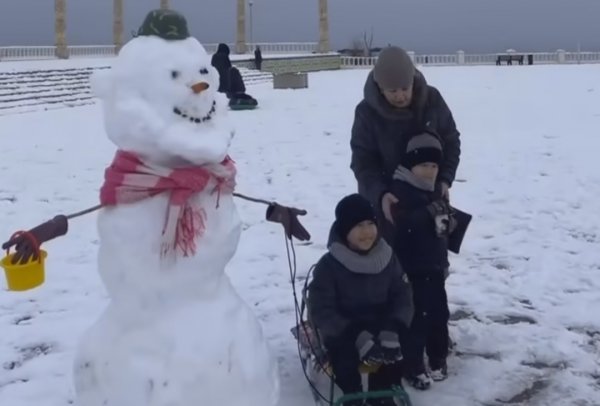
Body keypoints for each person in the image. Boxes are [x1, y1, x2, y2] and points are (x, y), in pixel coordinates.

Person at [308, 194, 414, 406]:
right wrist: (354, 335)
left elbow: (402, 294)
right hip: (345, 327)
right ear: (346, 231)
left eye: (370, 224)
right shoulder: (329, 266)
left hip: (381, 323)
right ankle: (352, 394)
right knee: (346, 358)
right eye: (358, 226)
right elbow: (321, 309)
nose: (366, 232)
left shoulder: (387, 257)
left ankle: (383, 393)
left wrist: (394, 325)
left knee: (395, 351)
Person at [349, 46, 461, 242]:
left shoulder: (432, 100)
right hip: (388, 205)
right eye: (392, 91)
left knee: (433, 262)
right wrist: (380, 195)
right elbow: (363, 162)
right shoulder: (366, 113)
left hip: (431, 200)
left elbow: (451, 141)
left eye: (405, 88)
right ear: (380, 87)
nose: (400, 96)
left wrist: (445, 178)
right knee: (393, 266)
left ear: (413, 81)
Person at [389, 132, 456, 389]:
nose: (429, 171)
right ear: (411, 165)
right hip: (411, 268)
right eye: (424, 165)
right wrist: (427, 214)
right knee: (415, 318)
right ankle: (413, 365)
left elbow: (441, 228)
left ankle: (438, 357)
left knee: (439, 313)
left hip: (435, 265)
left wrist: (450, 222)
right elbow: (402, 224)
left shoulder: (435, 190)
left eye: (434, 166)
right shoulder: (400, 190)